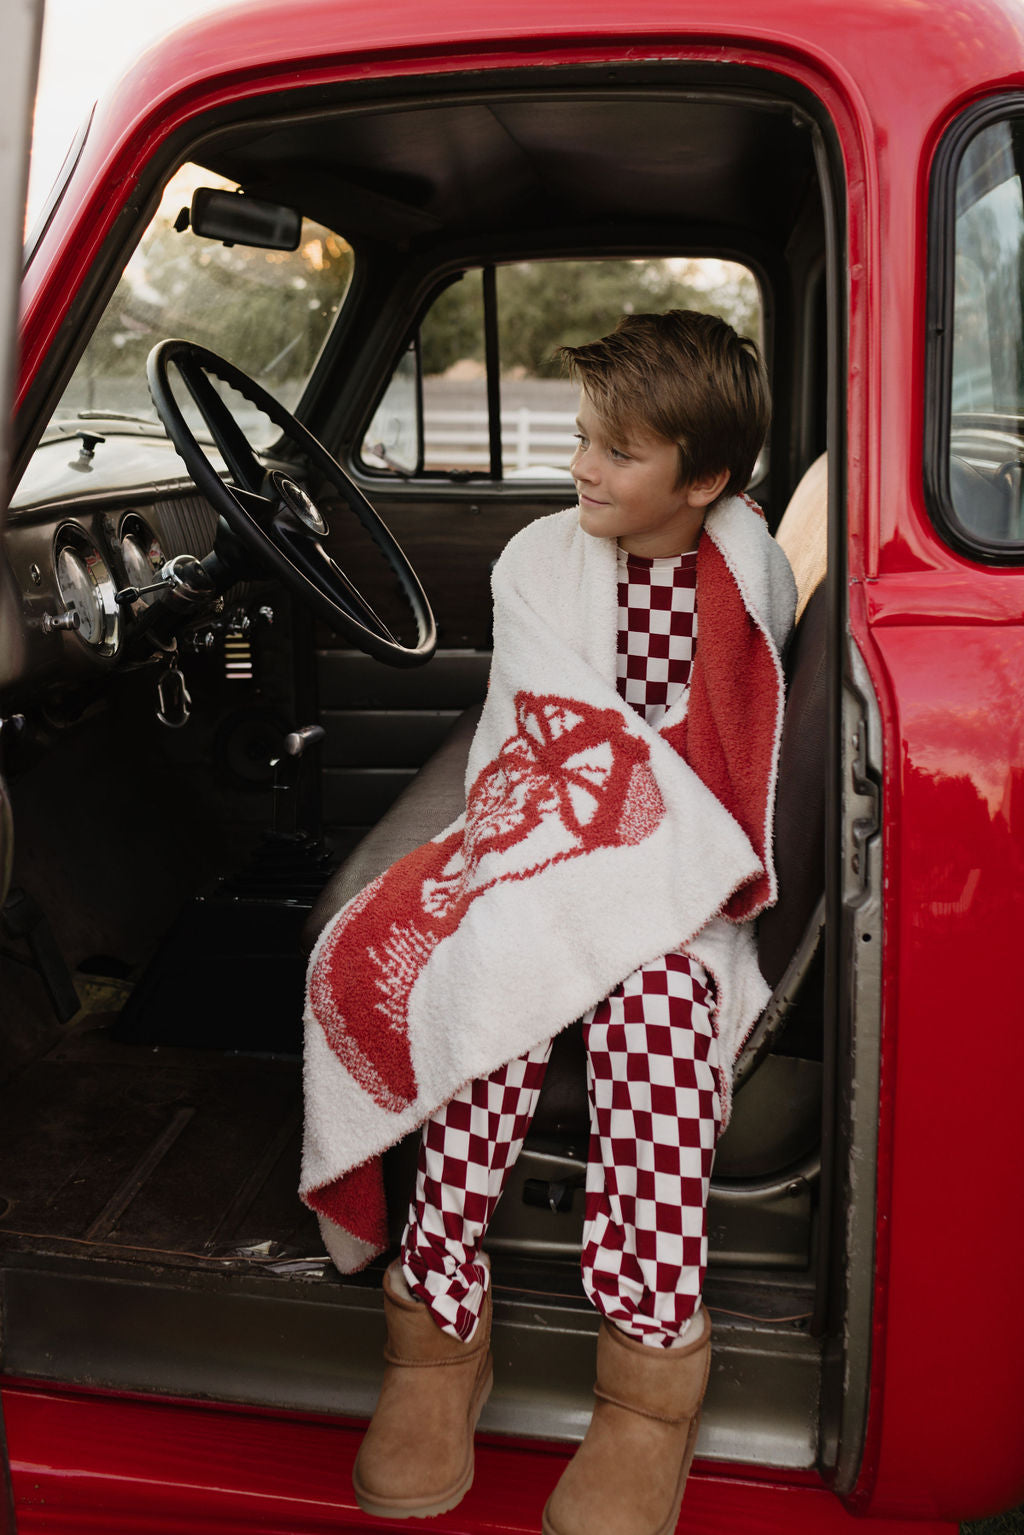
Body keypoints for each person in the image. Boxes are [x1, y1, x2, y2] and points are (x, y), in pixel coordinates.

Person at [301, 310, 796, 1535]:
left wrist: (644, 878)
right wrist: (563, 871)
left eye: (617, 453)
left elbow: (722, 770)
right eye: (581, 437)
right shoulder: (536, 558)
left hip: (678, 876)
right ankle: (436, 1324)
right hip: (540, 846)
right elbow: (539, 743)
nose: (581, 466)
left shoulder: (748, 572)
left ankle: (646, 1372)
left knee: (658, 1014)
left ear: (707, 479)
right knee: (491, 986)